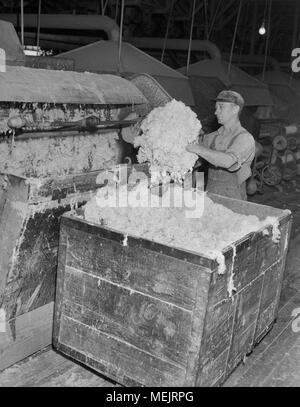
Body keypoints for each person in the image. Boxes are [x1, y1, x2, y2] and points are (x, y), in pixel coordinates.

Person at [186, 90, 255, 200]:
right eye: (216, 108)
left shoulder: (245, 138)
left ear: (235, 109)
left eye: (221, 107)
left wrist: (198, 149)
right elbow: (196, 164)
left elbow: (228, 161)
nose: (216, 112)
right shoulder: (212, 137)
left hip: (234, 201)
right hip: (211, 197)